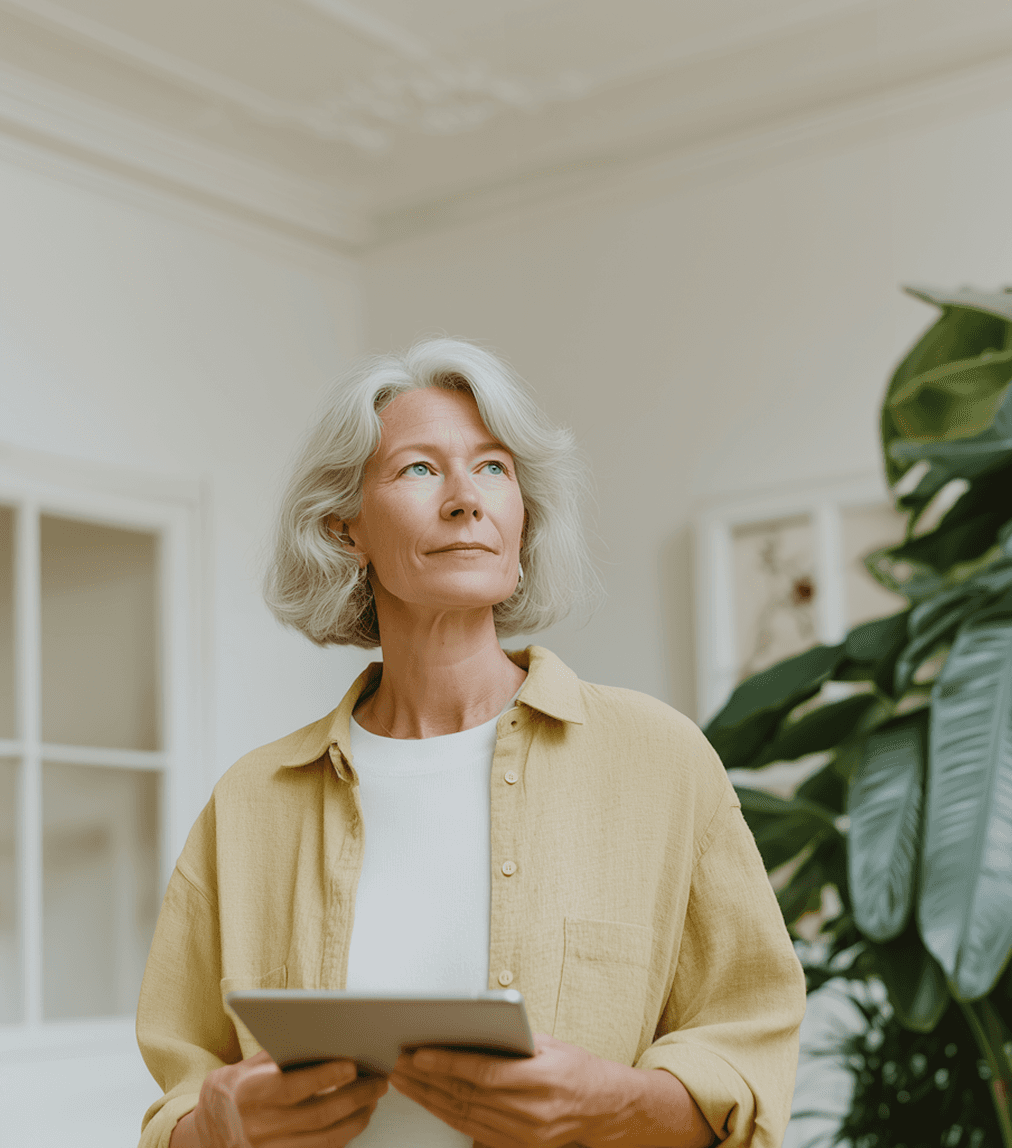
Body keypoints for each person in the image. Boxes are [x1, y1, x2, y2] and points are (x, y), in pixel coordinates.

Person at [137, 338, 806, 1148]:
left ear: (522, 522)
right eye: (419, 469)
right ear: (347, 529)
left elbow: (750, 1049)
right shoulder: (252, 801)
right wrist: (217, 1125)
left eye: (493, 468)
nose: (466, 499)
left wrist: (614, 1105)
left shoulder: (661, 761)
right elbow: (180, 1096)